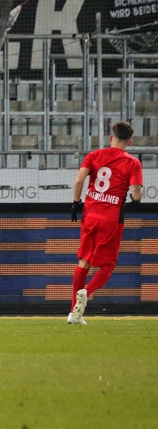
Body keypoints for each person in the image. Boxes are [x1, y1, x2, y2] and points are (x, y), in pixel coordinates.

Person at [68, 121, 143, 325]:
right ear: (129, 141)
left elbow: (79, 180)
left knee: (84, 261)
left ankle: (73, 313)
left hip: (90, 215)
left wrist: (76, 203)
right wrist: (136, 200)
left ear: (111, 138)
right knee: (108, 266)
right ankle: (87, 292)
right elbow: (136, 192)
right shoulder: (133, 163)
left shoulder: (94, 155)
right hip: (111, 219)